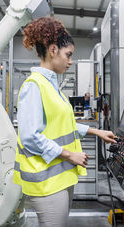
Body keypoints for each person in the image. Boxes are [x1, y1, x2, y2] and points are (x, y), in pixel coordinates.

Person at [13, 17, 116, 227]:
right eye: (68, 55)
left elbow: (62, 125)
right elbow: (29, 137)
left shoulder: (52, 86)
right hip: (46, 182)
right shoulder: (34, 86)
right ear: (53, 50)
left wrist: (97, 133)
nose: (70, 61)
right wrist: (70, 155)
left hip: (59, 178)